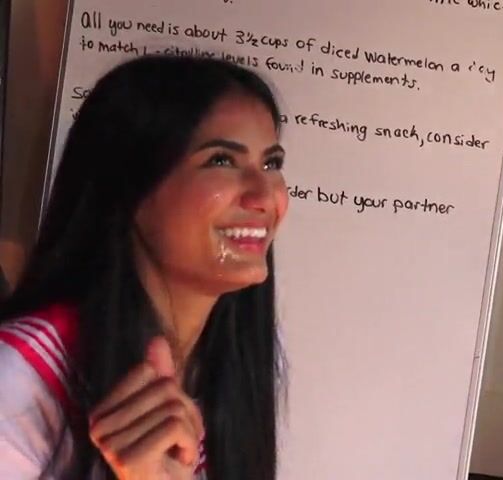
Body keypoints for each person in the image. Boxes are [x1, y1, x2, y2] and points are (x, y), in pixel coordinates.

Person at [0, 55, 288, 479]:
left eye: (271, 164)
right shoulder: (21, 375)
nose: (263, 196)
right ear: (130, 189)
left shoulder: (235, 364)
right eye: (222, 161)